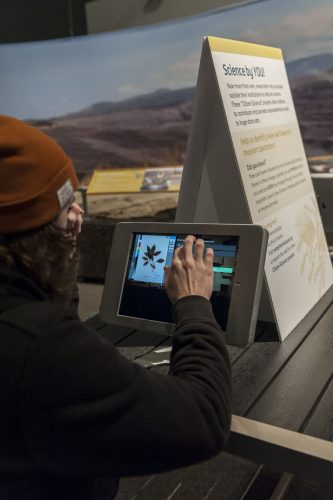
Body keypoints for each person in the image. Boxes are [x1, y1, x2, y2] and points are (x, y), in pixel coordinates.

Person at [0, 115, 232, 500]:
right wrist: (192, 302)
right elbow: (203, 420)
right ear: (37, 232)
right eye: (66, 206)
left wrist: (51, 262)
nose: (78, 216)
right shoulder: (40, 347)